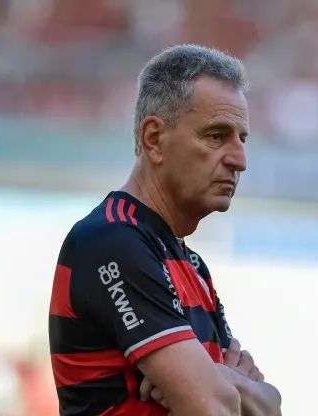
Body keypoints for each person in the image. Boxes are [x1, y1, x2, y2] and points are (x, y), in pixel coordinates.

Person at [48, 44, 282, 416]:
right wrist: (227, 388)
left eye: (242, 139)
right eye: (216, 136)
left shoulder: (190, 263)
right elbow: (214, 407)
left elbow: (271, 406)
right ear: (154, 139)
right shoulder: (112, 241)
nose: (240, 160)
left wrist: (226, 380)